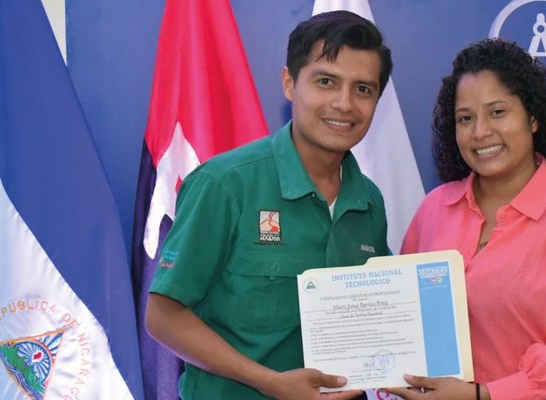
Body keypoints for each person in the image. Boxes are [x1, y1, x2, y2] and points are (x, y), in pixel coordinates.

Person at [145, 10, 392, 400]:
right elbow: (163, 316)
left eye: (363, 89)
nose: (344, 104)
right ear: (290, 83)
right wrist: (270, 382)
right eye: (326, 82)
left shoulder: (369, 201)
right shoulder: (224, 184)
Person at [387, 38, 546, 400]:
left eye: (498, 112)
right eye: (465, 118)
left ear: (533, 117)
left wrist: (483, 395)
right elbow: (401, 321)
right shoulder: (434, 209)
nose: (480, 132)